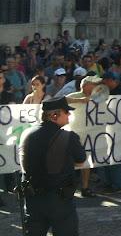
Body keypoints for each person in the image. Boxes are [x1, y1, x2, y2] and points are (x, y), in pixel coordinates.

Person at [19, 96, 86, 235]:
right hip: (59, 200)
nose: (69, 115)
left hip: (33, 200)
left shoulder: (27, 133)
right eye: (66, 112)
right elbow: (81, 160)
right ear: (54, 115)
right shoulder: (68, 137)